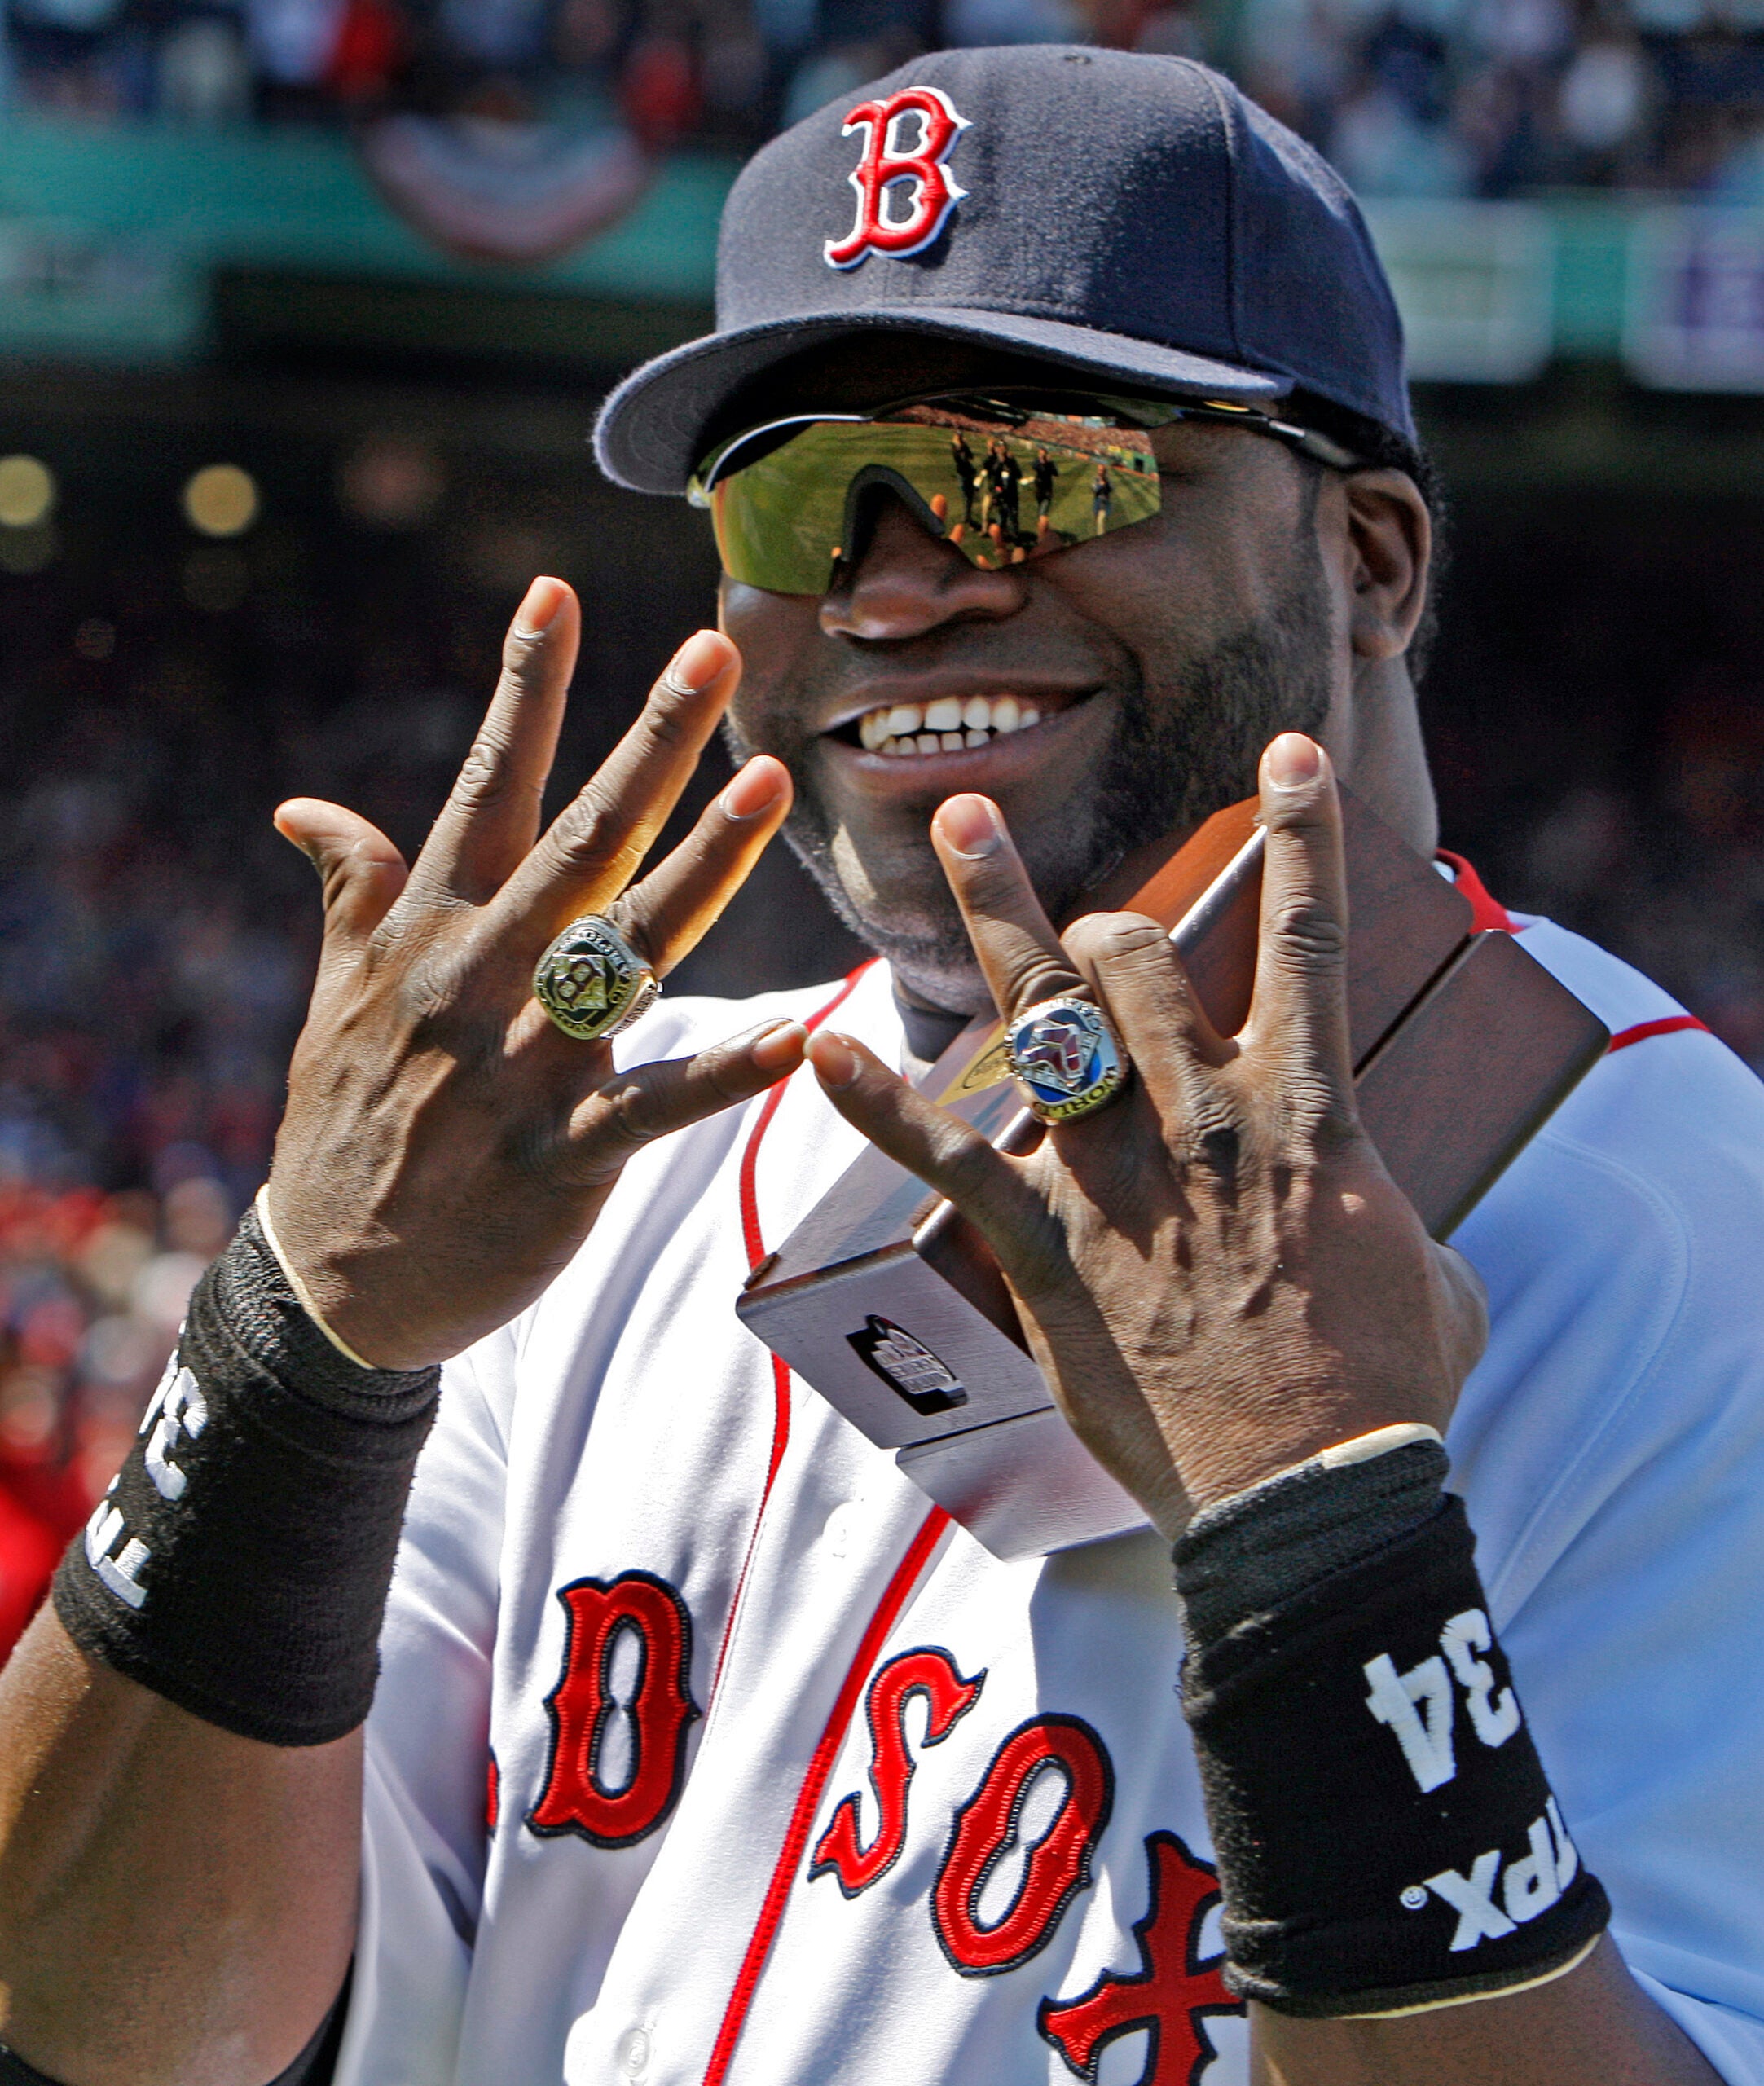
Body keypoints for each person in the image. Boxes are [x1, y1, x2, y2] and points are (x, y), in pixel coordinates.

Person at [3, 46, 1763, 2086]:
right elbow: (106, 2019)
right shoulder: (583, 1177)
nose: (904, 586)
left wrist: (1320, 1540)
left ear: (1366, 557)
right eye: (807, 497)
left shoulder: (1696, 1240)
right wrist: (297, 1342)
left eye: (1036, 468)